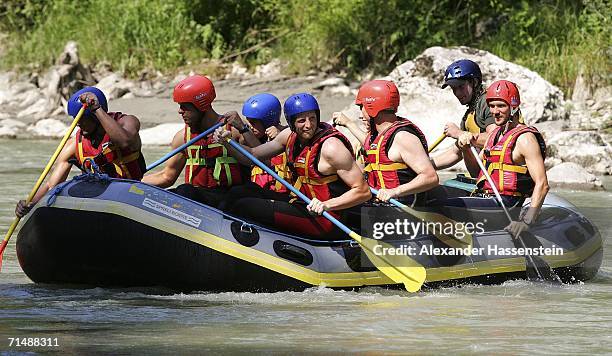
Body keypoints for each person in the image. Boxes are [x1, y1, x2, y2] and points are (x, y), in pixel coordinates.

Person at [214, 93, 371, 239]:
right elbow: (253, 155)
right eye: (301, 121)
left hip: (325, 218)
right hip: (300, 203)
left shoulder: (332, 148)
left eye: (312, 118)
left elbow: (363, 192)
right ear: (291, 122)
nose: (308, 125)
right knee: (239, 192)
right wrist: (227, 142)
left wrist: (326, 205)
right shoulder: (288, 136)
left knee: (245, 206)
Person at [15, 87, 145, 217]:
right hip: (100, 201)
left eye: (82, 118)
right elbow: (51, 186)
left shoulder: (127, 122)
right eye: (75, 118)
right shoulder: (73, 145)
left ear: (95, 115)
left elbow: (124, 142)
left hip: (130, 194)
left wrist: (96, 108)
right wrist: (30, 204)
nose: (77, 123)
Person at [450, 80, 549, 237]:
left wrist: (526, 222)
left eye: (501, 106)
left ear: (514, 106)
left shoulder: (525, 139)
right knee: (437, 197)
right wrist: (466, 149)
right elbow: (477, 172)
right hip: (486, 199)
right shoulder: (494, 136)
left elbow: (542, 184)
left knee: (446, 207)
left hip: (506, 205)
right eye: (492, 106)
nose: (495, 111)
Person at [142, 75, 247, 208]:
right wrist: (129, 181)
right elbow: (166, 176)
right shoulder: (182, 138)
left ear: (201, 106)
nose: (180, 111)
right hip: (199, 198)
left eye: (185, 106)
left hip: (229, 197)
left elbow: (258, 158)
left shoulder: (234, 130)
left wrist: (244, 130)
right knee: (181, 191)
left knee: (186, 191)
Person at [333, 80, 438, 206]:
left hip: (404, 211)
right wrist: (349, 124)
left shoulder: (403, 137)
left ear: (372, 107)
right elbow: (372, 147)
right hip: (382, 207)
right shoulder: (380, 134)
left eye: (362, 107)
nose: (361, 114)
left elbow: (430, 177)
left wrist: (394, 191)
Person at [219, 93, 293, 211]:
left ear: (268, 122)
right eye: (248, 122)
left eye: (253, 123)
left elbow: (264, 160)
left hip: (282, 196)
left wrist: (243, 128)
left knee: (238, 192)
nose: (250, 127)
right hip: (260, 192)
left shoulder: (285, 136)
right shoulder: (249, 137)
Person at [431, 59, 497, 170]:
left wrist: (459, 133)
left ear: (474, 82)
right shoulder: (469, 115)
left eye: (461, 87)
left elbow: (496, 140)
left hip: (508, 177)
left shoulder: (488, 102)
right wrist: (424, 166)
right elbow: (455, 153)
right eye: (453, 89)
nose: (457, 93)